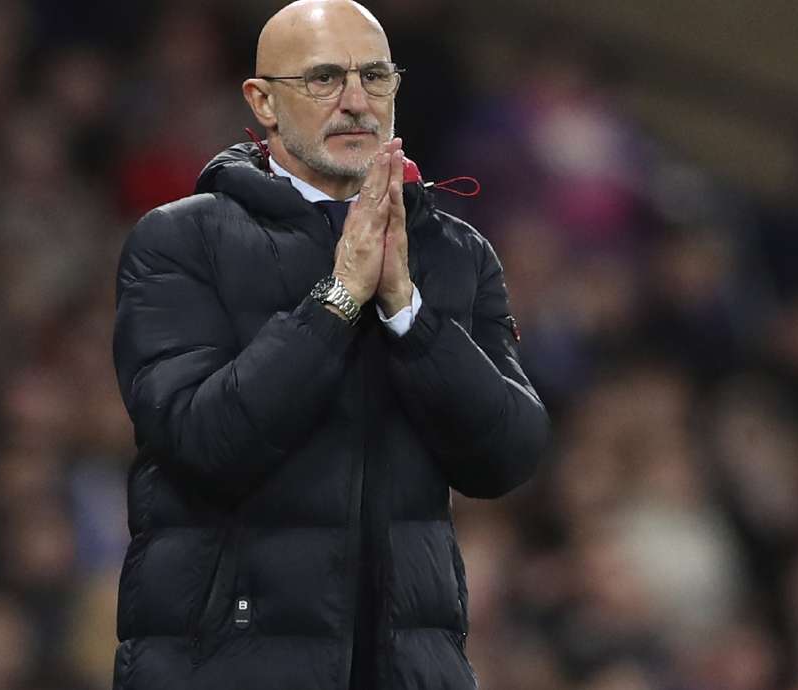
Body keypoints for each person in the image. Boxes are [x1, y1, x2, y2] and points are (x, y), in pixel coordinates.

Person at [110, 1, 549, 688]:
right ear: (262, 101)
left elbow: (508, 453)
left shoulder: (456, 255)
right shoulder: (180, 242)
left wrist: (408, 310)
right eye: (323, 80)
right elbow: (203, 439)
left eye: (375, 78)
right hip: (224, 665)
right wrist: (341, 295)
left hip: (407, 668)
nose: (355, 102)